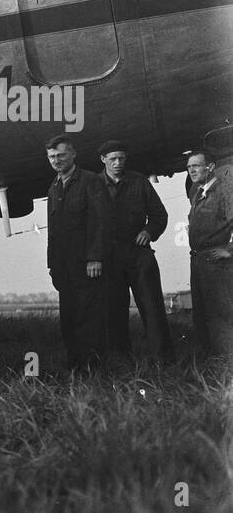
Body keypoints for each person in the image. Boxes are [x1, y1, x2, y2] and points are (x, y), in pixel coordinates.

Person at [96, 140, 172, 363]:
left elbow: (159, 215)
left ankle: (163, 362)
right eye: (112, 159)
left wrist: (149, 232)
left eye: (121, 158)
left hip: (139, 254)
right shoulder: (93, 185)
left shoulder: (139, 182)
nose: (118, 163)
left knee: (153, 308)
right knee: (113, 312)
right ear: (103, 160)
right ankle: (120, 361)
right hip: (109, 258)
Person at [44, 135, 109, 371]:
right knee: (69, 319)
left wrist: (95, 257)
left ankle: (94, 368)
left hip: (86, 264)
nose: (56, 160)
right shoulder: (54, 186)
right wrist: (52, 264)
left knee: (88, 318)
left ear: (73, 154)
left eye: (61, 155)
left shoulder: (91, 181)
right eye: (52, 157)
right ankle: (75, 366)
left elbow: (100, 222)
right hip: (63, 266)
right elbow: (53, 230)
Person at [185, 150, 233, 358]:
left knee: (221, 314)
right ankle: (211, 361)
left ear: (210, 167)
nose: (191, 170)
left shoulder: (225, 190)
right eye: (189, 167)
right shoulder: (197, 192)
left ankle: (228, 363)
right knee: (202, 314)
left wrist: (229, 250)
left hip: (216, 264)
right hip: (198, 261)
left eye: (196, 166)